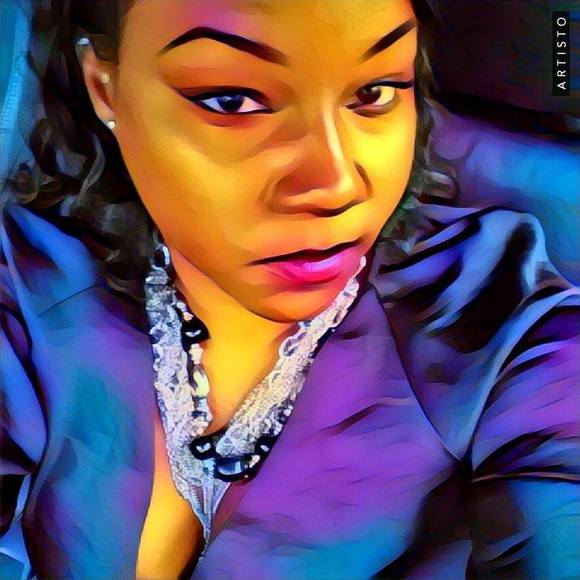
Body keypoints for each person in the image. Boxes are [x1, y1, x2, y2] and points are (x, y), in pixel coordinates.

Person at [0, 0, 578, 578]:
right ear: (104, 89)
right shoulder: (31, 284)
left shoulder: (490, 316)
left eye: (373, 93)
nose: (335, 185)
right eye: (232, 100)